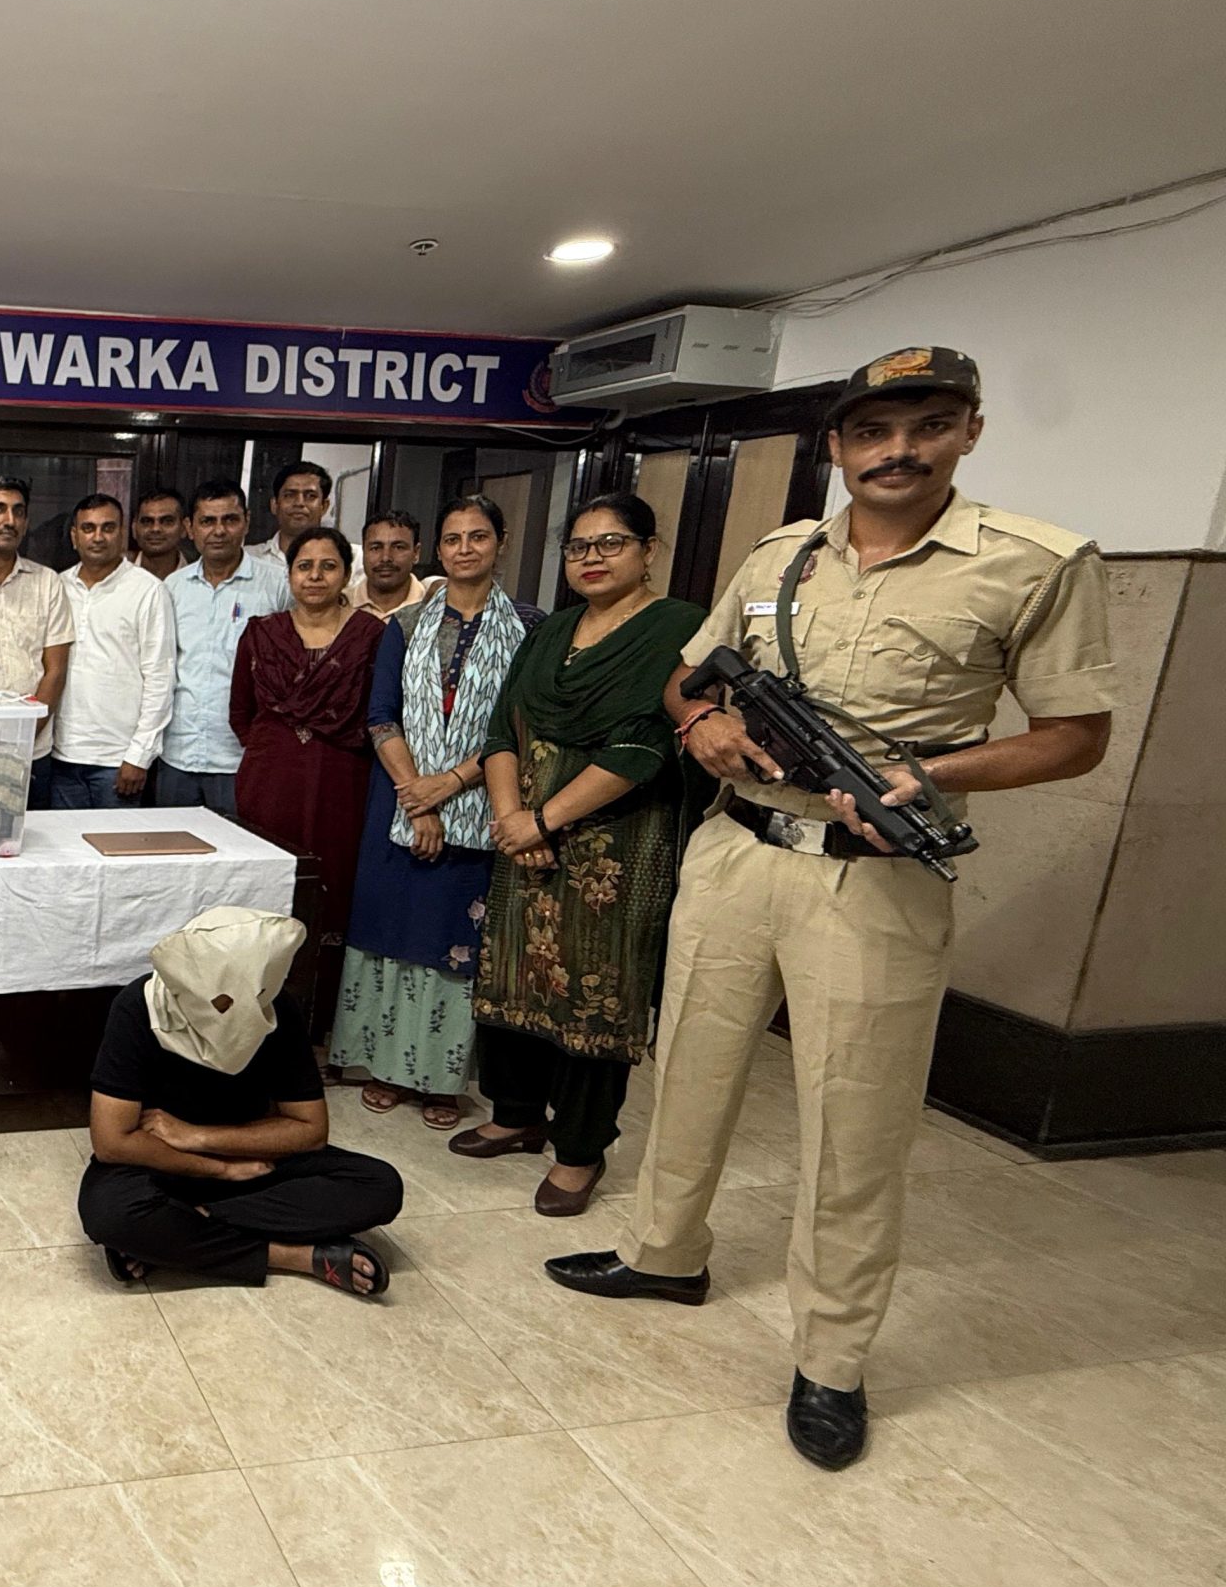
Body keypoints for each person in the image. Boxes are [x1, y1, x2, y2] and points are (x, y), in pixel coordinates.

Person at [549, 346, 1115, 1472]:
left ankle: (833, 1358)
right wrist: (701, 725)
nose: (897, 450)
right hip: (737, 850)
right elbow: (688, 679)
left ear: (969, 431)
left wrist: (936, 775)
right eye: (872, 431)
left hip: (872, 877)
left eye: (928, 425)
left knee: (855, 1123)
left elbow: (1075, 736)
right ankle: (664, 1253)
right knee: (690, 1067)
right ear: (838, 444)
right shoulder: (779, 556)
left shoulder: (1033, 563)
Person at [454, 495, 707, 1221]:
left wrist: (543, 819)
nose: (591, 558)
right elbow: (503, 727)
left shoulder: (679, 628)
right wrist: (512, 818)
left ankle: (579, 1150)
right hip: (524, 838)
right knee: (512, 972)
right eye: (578, 547)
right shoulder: (553, 630)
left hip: (616, 847)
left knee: (596, 992)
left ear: (649, 550)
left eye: (611, 543)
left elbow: (644, 745)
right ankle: (516, 1115)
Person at [329, 496, 541, 1128]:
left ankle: (440, 1078)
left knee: (454, 942)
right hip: (398, 802)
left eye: (478, 536)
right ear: (439, 550)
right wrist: (417, 798)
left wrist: (446, 785)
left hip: (484, 803)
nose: (465, 549)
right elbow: (380, 717)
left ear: (501, 542)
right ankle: (385, 1066)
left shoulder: (530, 627)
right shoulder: (404, 624)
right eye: (454, 538)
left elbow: (520, 723)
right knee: (391, 932)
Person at [77, 907, 401, 1297]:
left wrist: (197, 1136)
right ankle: (293, 1255)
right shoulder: (137, 1006)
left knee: (380, 1186)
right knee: (111, 1215)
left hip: (250, 1157)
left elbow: (310, 1130)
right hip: (159, 1162)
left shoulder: (279, 1009)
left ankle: (175, 1238)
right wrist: (218, 1170)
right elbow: (112, 1142)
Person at [229, 528, 380, 1018]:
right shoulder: (262, 633)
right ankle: (255, 1014)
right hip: (271, 781)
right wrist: (278, 751)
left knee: (333, 887)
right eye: (304, 566)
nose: (315, 576)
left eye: (328, 566)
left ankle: (320, 1022)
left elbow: (381, 714)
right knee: (267, 887)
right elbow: (241, 712)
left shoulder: (371, 636)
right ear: (290, 574)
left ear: (346, 574)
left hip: (342, 782)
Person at [152, 479, 289, 815]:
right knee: (172, 844)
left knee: (241, 845)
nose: (219, 531)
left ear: (247, 522)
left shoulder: (277, 584)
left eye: (230, 519)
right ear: (190, 528)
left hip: (242, 756)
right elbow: (161, 668)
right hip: (178, 753)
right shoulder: (172, 587)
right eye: (207, 521)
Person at [44, 493, 174, 809]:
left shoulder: (148, 591)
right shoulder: (57, 586)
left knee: (116, 842)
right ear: (74, 536)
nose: (98, 537)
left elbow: (160, 677)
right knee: (65, 841)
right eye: (88, 528)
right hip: (61, 755)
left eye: (108, 527)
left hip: (118, 760)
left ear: (122, 533)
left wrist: (139, 756)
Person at [0, 475, 75, 796]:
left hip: (32, 751)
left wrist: (24, 738)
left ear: (26, 522)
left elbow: (55, 671)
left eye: (18, 511)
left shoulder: (47, 583)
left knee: (36, 831)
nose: (9, 520)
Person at [350, 507, 437, 619]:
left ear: (416, 553)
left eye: (398, 547)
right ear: (363, 551)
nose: (386, 557)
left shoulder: (435, 608)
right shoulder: (339, 604)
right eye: (376, 548)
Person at [247, 459, 333, 565]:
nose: (299, 503)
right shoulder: (248, 559)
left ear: (324, 506)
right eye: (289, 495)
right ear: (274, 505)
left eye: (310, 496)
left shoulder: (348, 559)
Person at [133, 489, 192, 580]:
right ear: (134, 528)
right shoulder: (117, 575)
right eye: (147, 521)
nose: (155, 529)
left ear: (184, 528)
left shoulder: (201, 578)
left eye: (167, 521)